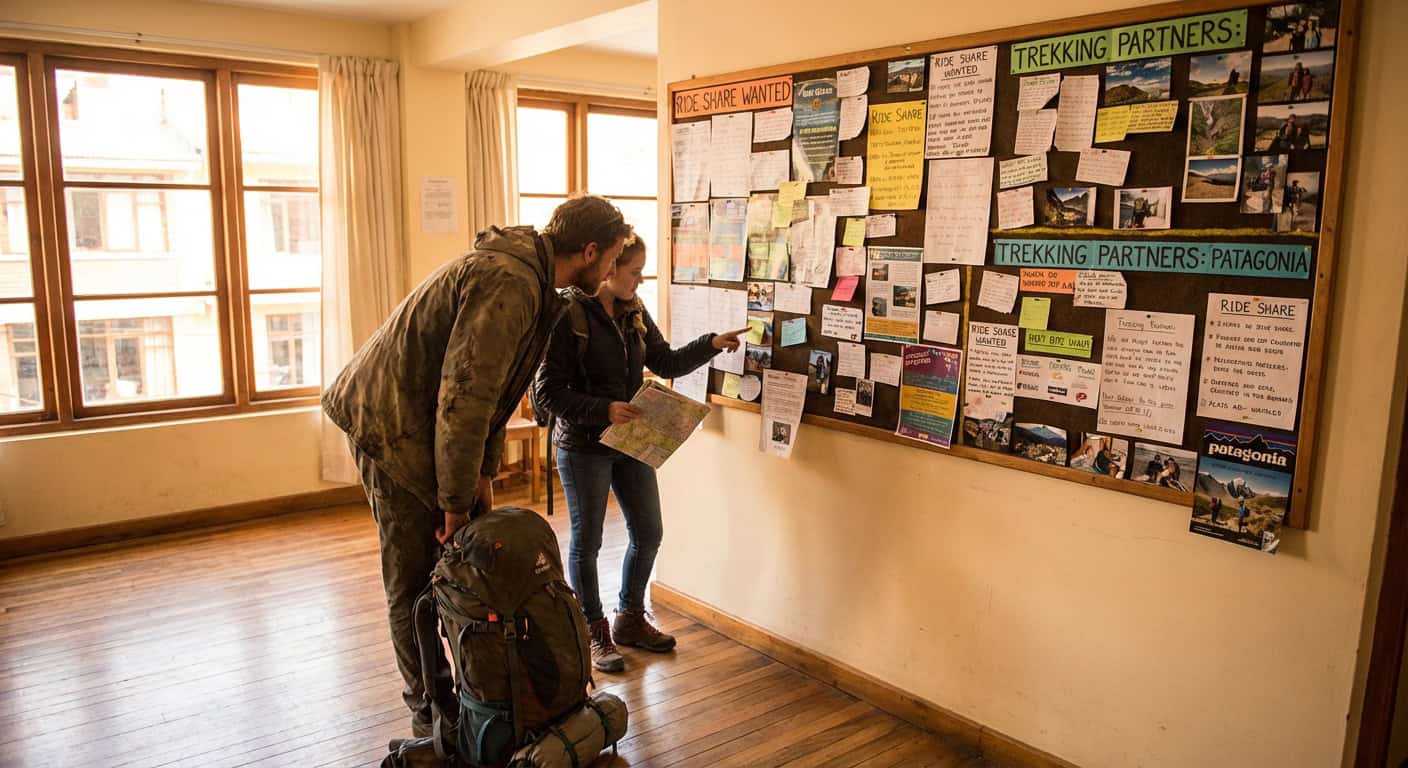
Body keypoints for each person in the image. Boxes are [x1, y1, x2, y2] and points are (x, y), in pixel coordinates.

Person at [322, 195, 629, 737]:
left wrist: (481, 476)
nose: (612, 273)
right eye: (613, 260)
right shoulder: (509, 283)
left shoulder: (531, 280)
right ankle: (430, 719)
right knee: (412, 579)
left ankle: (464, 702)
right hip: (388, 426)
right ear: (588, 252)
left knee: (448, 567)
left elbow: (495, 394)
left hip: (421, 424)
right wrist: (454, 503)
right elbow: (463, 400)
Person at [534, 235, 746, 673]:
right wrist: (603, 409)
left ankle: (629, 617)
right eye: (634, 271)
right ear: (608, 268)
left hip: (631, 443)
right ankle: (594, 629)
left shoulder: (633, 311)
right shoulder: (566, 313)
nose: (641, 280)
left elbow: (665, 361)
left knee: (649, 532)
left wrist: (711, 344)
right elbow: (547, 392)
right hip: (583, 447)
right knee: (587, 542)